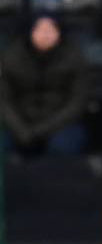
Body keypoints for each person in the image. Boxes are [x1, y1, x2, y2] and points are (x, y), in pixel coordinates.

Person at [0, 13, 87, 156]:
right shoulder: (12, 57)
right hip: (19, 123)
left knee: (64, 145)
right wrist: (21, 129)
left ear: (59, 33)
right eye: (40, 30)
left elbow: (77, 102)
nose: (45, 35)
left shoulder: (73, 57)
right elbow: (4, 100)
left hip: (60, 124)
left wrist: (43, 130)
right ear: (30, 32)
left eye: (50, 30)